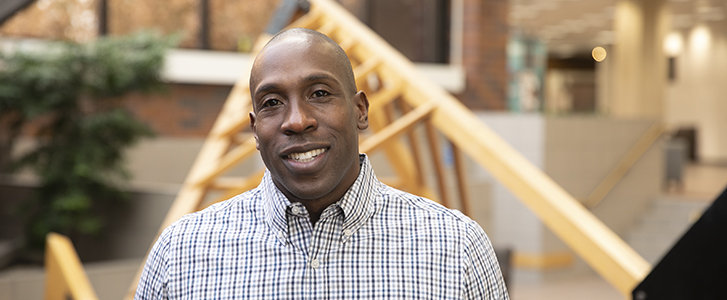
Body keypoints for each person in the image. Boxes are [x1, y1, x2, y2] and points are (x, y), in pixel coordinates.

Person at [135, 28, 509, 299]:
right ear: (254, 129)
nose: (296, 120)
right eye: (271, 103)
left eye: (319, 93)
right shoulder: (181, 254)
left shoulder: (456, 248)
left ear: (360, 111)